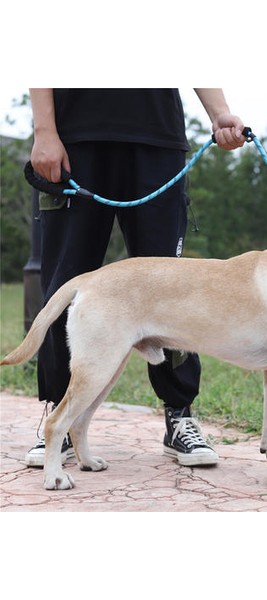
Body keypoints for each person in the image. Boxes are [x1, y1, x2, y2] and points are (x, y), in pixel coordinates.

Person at [25, 88, 245, 469]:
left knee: (173, 291)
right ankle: (59, 415)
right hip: (76, 139)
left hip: (157, 141)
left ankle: (180, 415)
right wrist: (44, 130)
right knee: (66, 284)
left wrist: (220, 113)